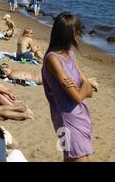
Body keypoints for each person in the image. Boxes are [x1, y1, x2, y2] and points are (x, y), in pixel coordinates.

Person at [42, 13, 98, 162]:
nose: (81, 35)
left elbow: (87, 89)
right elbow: (78, 95)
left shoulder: (70, 55)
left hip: (79, 115)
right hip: (66, 119)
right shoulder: (53, 59)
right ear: (72, 33)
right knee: (78, 157)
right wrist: (85, 87)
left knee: (71, 157)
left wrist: (85, 87)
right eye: (79, 31)